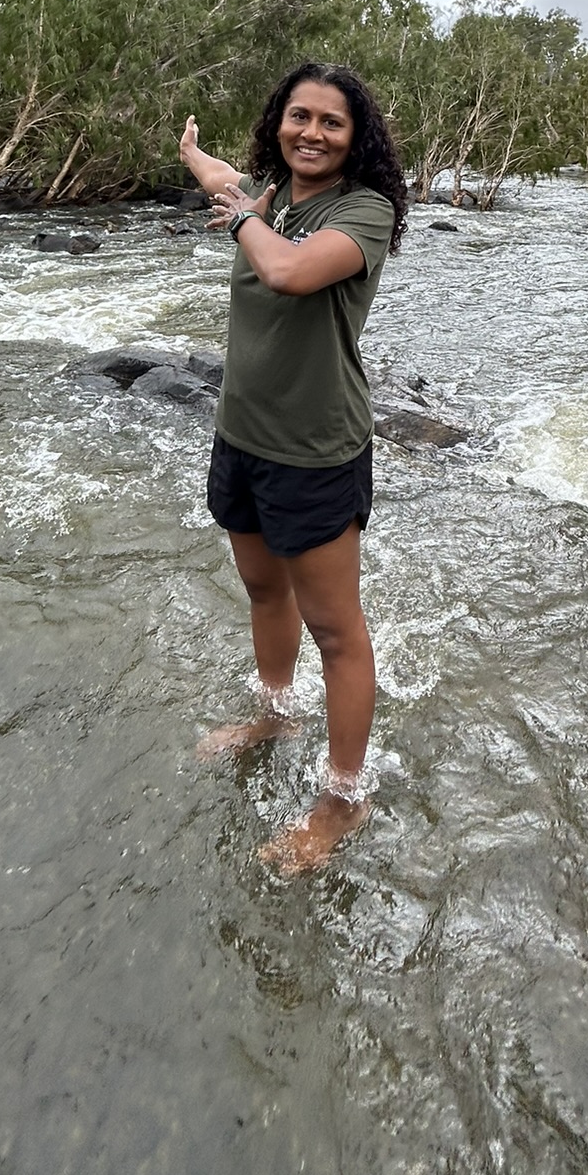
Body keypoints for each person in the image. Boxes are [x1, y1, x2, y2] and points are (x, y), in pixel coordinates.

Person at [179, 61, 407, 874]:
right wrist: (199, 161)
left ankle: (344, 799)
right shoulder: (269, 194)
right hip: (242, 435)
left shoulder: (366, 210)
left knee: (338, 632)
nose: (311, 132)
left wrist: (241, 212)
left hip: (315, 450)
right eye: (298, 117)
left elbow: (288, 270)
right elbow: (224, 178)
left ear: (356, 139)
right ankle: (275, 713)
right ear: (280, 121)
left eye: (331, 123)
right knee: (263, 588)